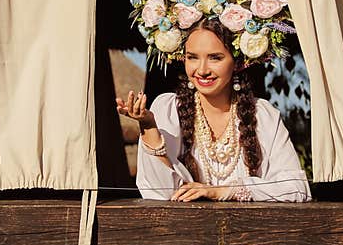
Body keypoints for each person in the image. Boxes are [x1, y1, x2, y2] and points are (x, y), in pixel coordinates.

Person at [116, 18, 311, 202]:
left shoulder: (263, 114)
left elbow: (297, 188)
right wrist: (149, 128)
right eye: (192, 57)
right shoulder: (167, 109)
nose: (202, 70)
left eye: (215, 58)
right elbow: (159, 193)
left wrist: (228, 191)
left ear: (236, 62)